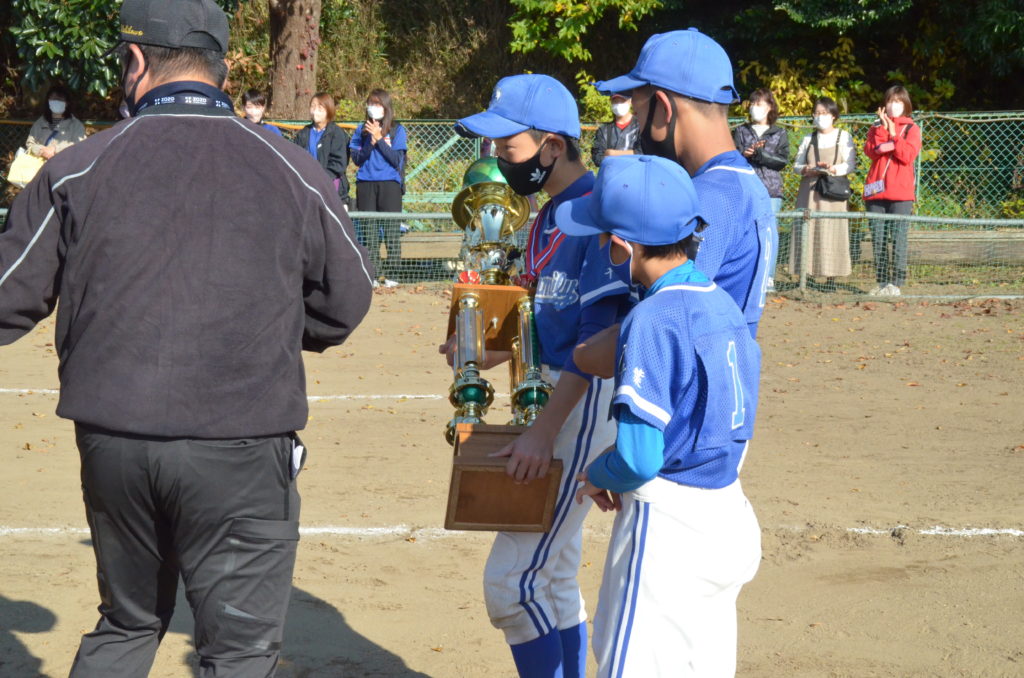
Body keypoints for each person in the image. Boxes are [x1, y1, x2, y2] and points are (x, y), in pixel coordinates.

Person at [0, 1, 374, 676]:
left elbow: (8, 295)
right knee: (239, 653)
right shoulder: (293, 169)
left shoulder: (77, 167)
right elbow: (346, 300)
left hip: (116, 438)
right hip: (242, 438)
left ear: (135, 61)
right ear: (222, 71)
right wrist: (271, 327)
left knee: (127, 624)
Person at [444, 73, 631, 678]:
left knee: (511, 584)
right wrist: (485, 350)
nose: (499, 157)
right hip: (557, 391)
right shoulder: (548, 213)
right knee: (551, 576)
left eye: (510, 145)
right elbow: (546, 317)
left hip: (582, 398)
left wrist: (544, 431)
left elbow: (597, 339)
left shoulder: (598, 211)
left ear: (552, 145)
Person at [562, 155, 761, 678]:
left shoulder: (652, 317)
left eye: (603, 239)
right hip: (728, 512)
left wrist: (599, 472)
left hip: (671, 530)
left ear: (622, 247)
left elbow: (639, 457)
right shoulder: (722, 303)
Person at [595, 28, 778, 341]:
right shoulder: (740, 184)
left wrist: (583, 354)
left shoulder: (706, 197)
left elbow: (663, 324)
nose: (637, 127)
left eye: (639, 112)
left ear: (663, 109)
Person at [791, 96, 856, 290]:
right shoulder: (808, 139)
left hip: (832, 191)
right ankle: (807, 275)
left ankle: (831, 278)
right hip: (810, 190)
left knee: (832, 231)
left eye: (825, 113)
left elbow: (850, 164)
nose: (820, 116)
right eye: (817, 113)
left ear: (833, 115)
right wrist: (805, 169)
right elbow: (796, 165)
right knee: (807, 230)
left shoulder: (843, 136)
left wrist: (833, 169)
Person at [863, 85, 922, 296]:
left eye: (898, 102)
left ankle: (896, 283)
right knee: (878, 239)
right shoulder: (875, 126)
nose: (893, 106)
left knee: (898, 238)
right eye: (890, 101)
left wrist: (895, 135)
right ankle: (881, 282)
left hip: (901, 194)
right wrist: (882, 128)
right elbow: (871, 151)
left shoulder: (912, 129)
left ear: (905, 105)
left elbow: (907, 155)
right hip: (875, 192)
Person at [350, 89, 407, 287]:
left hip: (390, 184)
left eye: (377, 104)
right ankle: (372, 274)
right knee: (369, 232)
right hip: (365, 183)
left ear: (386, 107)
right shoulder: (360, 130)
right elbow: (357, 159)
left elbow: (396, 159)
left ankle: (393, 275)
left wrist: (380, 139)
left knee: (391, 231)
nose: (373, 108)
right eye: (371, 104)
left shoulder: (397, 129)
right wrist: (370, 141)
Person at [733, 88, 789, 213]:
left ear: (770, 107)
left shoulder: (779, 133)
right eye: (752, 104)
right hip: (745, 189)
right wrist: (744, 154)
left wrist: (760, 154)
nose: (754, 107)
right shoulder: (740, 131)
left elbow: (782, 161)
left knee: (769, 224)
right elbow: (733, 158)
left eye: (758, 104)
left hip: (771, 191)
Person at [294, 92, 351, 208]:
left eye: (320, 108)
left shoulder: (336, 133)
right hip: (307, 188)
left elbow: (338, 164)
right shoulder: (303, 133)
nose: (315, 111)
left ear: (328, 110)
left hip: (331, 189)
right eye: (313, 106)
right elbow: (295, 158)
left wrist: (319, 178)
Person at [24, 83, 87, 160]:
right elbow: (30, 143)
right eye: (53, 99)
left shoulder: (76, 125)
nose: (56, 102)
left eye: (60, 99)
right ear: (48, 101)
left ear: (67, 103)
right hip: (40, 164)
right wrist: (41, 150)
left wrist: (55, 150)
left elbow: (79, 145)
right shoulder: (40, 122)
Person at [590, 92, 642, 167]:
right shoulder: (604, 130)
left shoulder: (641, 126)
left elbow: (642, 154)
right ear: (611, 102)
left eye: (622, 101)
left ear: (630, 101)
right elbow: (597, 158)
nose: (618, 104)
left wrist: (611, 153)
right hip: (611, 173)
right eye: (615, 101)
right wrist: (630, 153)